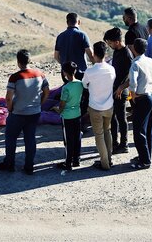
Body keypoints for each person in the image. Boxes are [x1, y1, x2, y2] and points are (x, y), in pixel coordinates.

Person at [0, 50, 49, 175]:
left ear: (18, 62)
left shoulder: (15, 77)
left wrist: (10, 109)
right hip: (34, 112)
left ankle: (9, 163)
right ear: (29, 61)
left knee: (11, 137)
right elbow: (47, 91)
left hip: (18, 113)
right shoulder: (40, 74)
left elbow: (8, 97)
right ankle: (29, 166)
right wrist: (39, 104)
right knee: (30, 138)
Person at [128, 38, 152, 170]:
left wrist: (133, 93)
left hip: (143, 98)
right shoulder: (150, 60)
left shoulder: (135, 63)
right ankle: (146, 155)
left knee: (139, 130)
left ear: (134, 49)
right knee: (148, 129)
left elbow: (133, 81)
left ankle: (144, 161)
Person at [82, 41, 116, 171]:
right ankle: (109, 158)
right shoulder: (111, 69)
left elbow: (85, 85)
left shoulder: (90, 71)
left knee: (99, 135)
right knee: (107, 131)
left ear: (94, 54)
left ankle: (105, 163)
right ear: (105, 53)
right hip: (108, 106)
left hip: (95, 107)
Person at [104, 27, 132, 154]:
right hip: (114, 89)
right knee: (113, 118)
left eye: (109, 42)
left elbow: (131, 77)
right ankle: (114, 142)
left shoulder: (127, 54)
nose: (109, 45)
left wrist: (121, 88)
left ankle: (124, 144)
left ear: (116, 41)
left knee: (121, 118)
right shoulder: (117, 51)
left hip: (121, 91)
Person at [55, 61, 83, 171]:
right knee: (77, 137)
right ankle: (76, 159)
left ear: (65, 73)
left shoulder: (65, 88)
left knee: (68, 139)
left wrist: (56, 109)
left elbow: (62, 105)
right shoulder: (80, 84)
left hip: (67, 116)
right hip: (77, 113)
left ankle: (68, 162)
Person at [54, 13, 94, 82]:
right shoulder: (82, 35)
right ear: (79, 22)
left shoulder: (60, 36)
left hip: (65, 74)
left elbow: (56, 56)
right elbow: (91, 55)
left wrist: (64, 65)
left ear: (67, 22)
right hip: (80, 72)